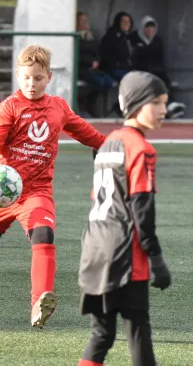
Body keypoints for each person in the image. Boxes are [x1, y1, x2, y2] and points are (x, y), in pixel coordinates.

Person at [0, 45, 106, 328]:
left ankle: (39, 302)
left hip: (36, 192)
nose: (32, 84)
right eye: (27, 77)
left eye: (38, 78)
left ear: (49, 77)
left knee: (44, 236)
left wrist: (105, 145)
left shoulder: (58, 108)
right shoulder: (10, 108)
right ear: (18, 75)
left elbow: (84, 130)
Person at [78, 71, 172, 366]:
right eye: (156, 102)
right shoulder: (141, 149)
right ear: (135, 103)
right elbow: (142, 210)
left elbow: (98, 199)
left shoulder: (108, 144)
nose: (163, 110)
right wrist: (156, 258)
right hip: (124, 253)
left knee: (102, 334)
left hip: (93, 248)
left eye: (165, 103)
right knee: (138, 332)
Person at [130, 16, 186, 119]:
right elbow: (134, 60)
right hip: (139, 71)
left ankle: (169, 105)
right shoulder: (134, 39)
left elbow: (159, 59)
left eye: (152, 28)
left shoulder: (157, 41)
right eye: (147, 28)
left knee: (164, 80)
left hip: (154, 71)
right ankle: (167, 107)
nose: (150, 30)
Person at [76, 11, 114, 117]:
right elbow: (77, 55)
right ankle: (88, 103)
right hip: (82, 69)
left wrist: (97, 61)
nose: (85, 23)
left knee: (108, 81)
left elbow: (97, 52)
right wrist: (89, 62)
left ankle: (89, 100)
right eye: (82, 21)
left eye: (86, 21)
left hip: (93, 68)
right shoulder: (76, 37)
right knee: (99, 82)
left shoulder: (90, 36)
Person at [99, 11, 134, 82]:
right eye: (124, 21)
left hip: (126, 68)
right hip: (114, 69)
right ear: (118, 23)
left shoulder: (128, 37)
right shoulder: (111, 36)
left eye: (128, 22)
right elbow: (107, 58)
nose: (127, 24)